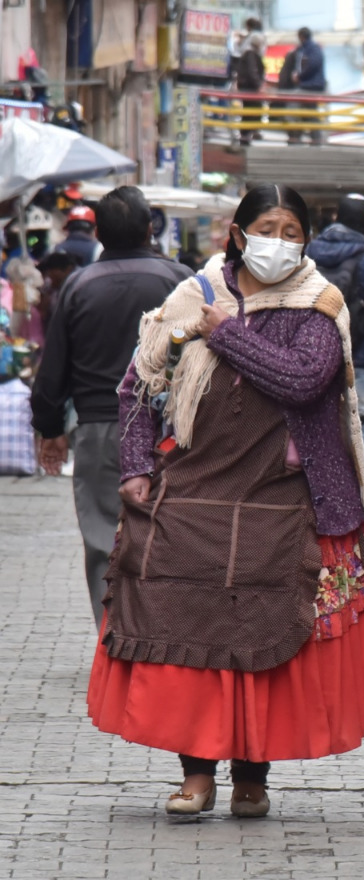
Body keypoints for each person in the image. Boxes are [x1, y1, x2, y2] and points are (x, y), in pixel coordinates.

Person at [87, 183, 364, 819]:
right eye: (269, 227)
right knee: (187, 631)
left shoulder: (320, 302)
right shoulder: (192, 297)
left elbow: (304, 380)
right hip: (192, 495)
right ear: (237, 233)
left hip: (282, 500)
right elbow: (139, 387)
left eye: (293, 231)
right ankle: (197, 775)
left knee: (269, 630)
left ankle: (252, 775)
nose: (280, 242)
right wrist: (134, 469)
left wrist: (229, 333)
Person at [30, 187, 192, 627]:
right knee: (174, 529)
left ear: (99, 232)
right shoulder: (182, 281)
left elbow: (54, 367)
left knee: (103, 535)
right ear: (148, 228)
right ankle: (164, 633)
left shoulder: (79, 286)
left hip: (101, 426)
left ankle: (113, 637)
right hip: (173, 427)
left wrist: (49, 427)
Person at [305, 195, 364, 527]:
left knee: (319, 429)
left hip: (314, 352)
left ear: (336, 216)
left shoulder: (310, 251)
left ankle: (323, 508)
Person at [294, 28, 327, 144]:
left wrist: (300, 76)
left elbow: (312, 64)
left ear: (301, 36)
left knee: (309, 112)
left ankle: (315, 138)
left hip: (311, 86)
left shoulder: (312, 49)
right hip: (310, 85)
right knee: (306, 112)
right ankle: (309, 137)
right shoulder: (307, 49)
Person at [236, 32, 266, 147]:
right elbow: (252, 71)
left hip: (246, 87)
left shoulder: (248, 53)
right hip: (250, 89)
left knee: (248, 111)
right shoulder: (251, 54)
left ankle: (246, 135)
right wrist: (258, 85)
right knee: (251, 111)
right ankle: (246, 135)